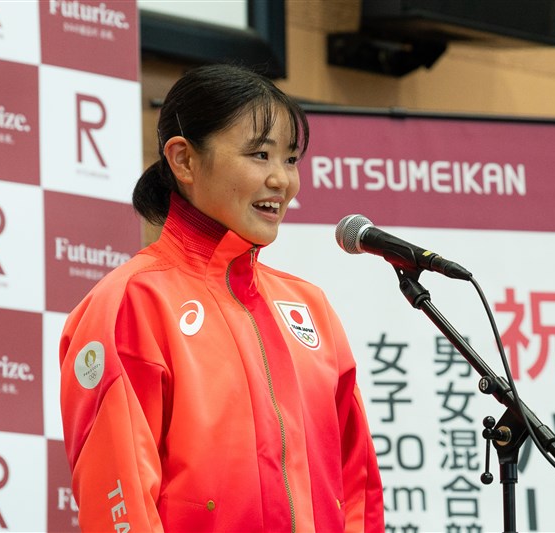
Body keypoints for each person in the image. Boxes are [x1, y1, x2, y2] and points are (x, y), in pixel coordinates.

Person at [59, 63, 384, 532]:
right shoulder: (133, 301)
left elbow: (357, 488)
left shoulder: (309, 306)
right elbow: (119, 495)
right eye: (259, 154)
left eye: (290, 159)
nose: (282, 181)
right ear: (184, 159)